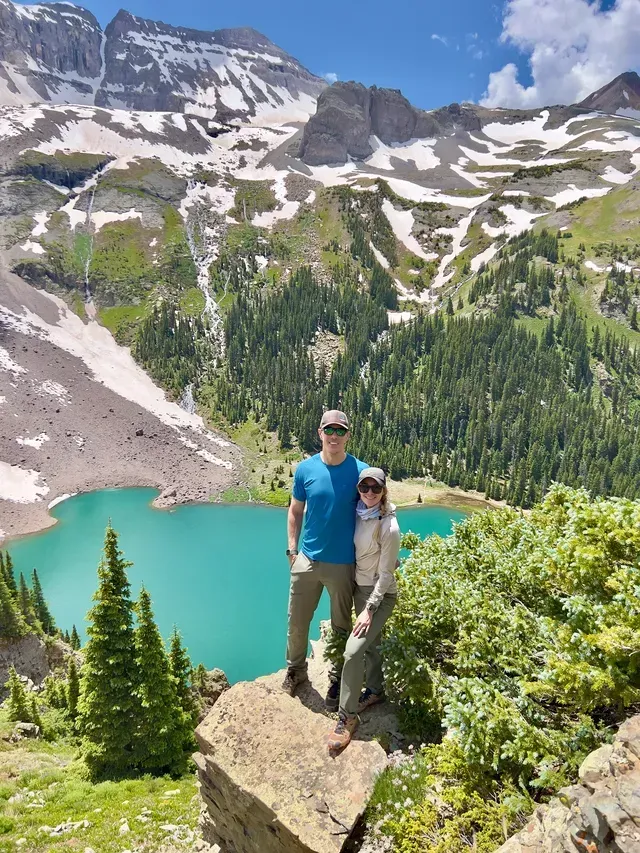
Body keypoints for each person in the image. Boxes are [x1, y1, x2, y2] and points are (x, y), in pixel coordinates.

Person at [283, 410, 368, 710]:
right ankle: (295, 671)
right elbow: (295, 511)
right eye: (329, 429)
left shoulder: (361, 472)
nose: (334, 435)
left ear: (348, 435)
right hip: (306, 560)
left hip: (343, 564)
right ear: (319, 432)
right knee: (297, 622)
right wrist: (292, 551)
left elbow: (376, 511)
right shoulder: (305, 470)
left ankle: (335, 678)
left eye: (340, 430)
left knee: (341, 626)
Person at [328, 467, 400, 751]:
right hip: (359, 587)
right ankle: (376, 690)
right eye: (364, 487)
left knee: (353, 651)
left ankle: (346, 716)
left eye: (375, 488)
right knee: (371, 645)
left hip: (380, 596)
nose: (369, 493)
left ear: (384, 491)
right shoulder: (358, 512)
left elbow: (386, 576)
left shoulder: (389, 526)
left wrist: (369, 609)